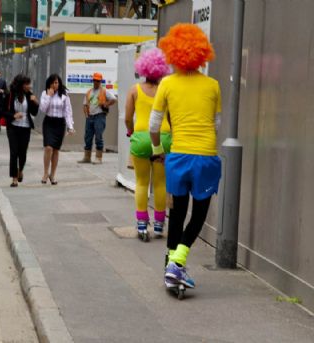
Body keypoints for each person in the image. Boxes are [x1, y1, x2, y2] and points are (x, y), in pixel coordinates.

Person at [149, 24, 222, 289]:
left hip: (178, 157)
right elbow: (216, 124)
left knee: (177, 212)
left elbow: (154, 126)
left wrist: (158, 151)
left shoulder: (166, 84)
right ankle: (177, 263)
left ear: (173, 53)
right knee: (199, 215)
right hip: (205, 156)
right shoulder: (213, 85)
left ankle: (171, 265)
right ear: (202, 53)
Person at [124, 48, 171, 241]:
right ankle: (159, 225)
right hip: (164, 137)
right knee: (160, 184)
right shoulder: (166, 90)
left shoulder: (135, 90)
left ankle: (142, 225)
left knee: (142, 183)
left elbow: (128, 118)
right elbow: (171, 117)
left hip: (142, 138)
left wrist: (131, 132)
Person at [2, 74, 39, 187]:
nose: (29, 86)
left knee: (22, 152)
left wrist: (35, 102)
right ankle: (14, 178)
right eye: (27, 84)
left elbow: (34, 113)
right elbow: (2, 111)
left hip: (25, 128)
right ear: (21, 85)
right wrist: (13, 115)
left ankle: (20, 170)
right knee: (14, 152)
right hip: (13, 127)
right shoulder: (10, 95)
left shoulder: (30, 95)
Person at [40, 74, 75, 185]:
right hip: (49, 122)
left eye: (57, 83)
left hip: (60, 124)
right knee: (48, 147)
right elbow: (43, 109)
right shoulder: (45, 93)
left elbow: (68, 112)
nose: (56, 85)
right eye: (54, 82)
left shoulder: (64, 95)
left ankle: (53, 174)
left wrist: (70, 126)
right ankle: (45, 172)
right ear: (49, 83)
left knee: (56, 150)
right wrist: (49, 96)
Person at [78, 72, 116, 164]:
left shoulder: (104, 91)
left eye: (98, 80)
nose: (96, 82)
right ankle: (87, 157)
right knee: (87, 137)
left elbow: (114, 99)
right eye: (95, 80)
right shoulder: (89, 92)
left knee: (99, 137)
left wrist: (106, 104)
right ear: (93, 80)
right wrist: (86, 115)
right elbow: (85, 104)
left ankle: (98, 157)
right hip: (90, 117)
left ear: (100, 81)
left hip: (100, 116)